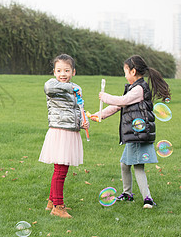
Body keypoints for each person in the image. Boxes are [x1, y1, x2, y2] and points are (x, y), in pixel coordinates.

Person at [89, 55, 170, 209]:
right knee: (125, 164)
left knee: (138, 166)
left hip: (139, 135)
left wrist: (106, 97)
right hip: (134, 134)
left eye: (125, 71)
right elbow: (119, 105)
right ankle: (127, 194)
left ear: (133, 71)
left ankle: (148, 199)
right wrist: (100, 114)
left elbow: (122, 101)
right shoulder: (133, 88)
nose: (124, 75)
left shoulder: (139, 89)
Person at [39, 54, 89, 218]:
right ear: (54, 72)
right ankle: (58, 207)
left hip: (71, 132)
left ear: (73, 72)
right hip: (60, 132)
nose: (63, 74)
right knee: (60, 171)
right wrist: (72, 88)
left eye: (67, 70)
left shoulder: (76, 89)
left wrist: (84, 121)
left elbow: (79, 108)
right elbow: (49, 88)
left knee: (61, 170)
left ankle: (52, 201)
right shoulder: (53, 86)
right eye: (59, 70)